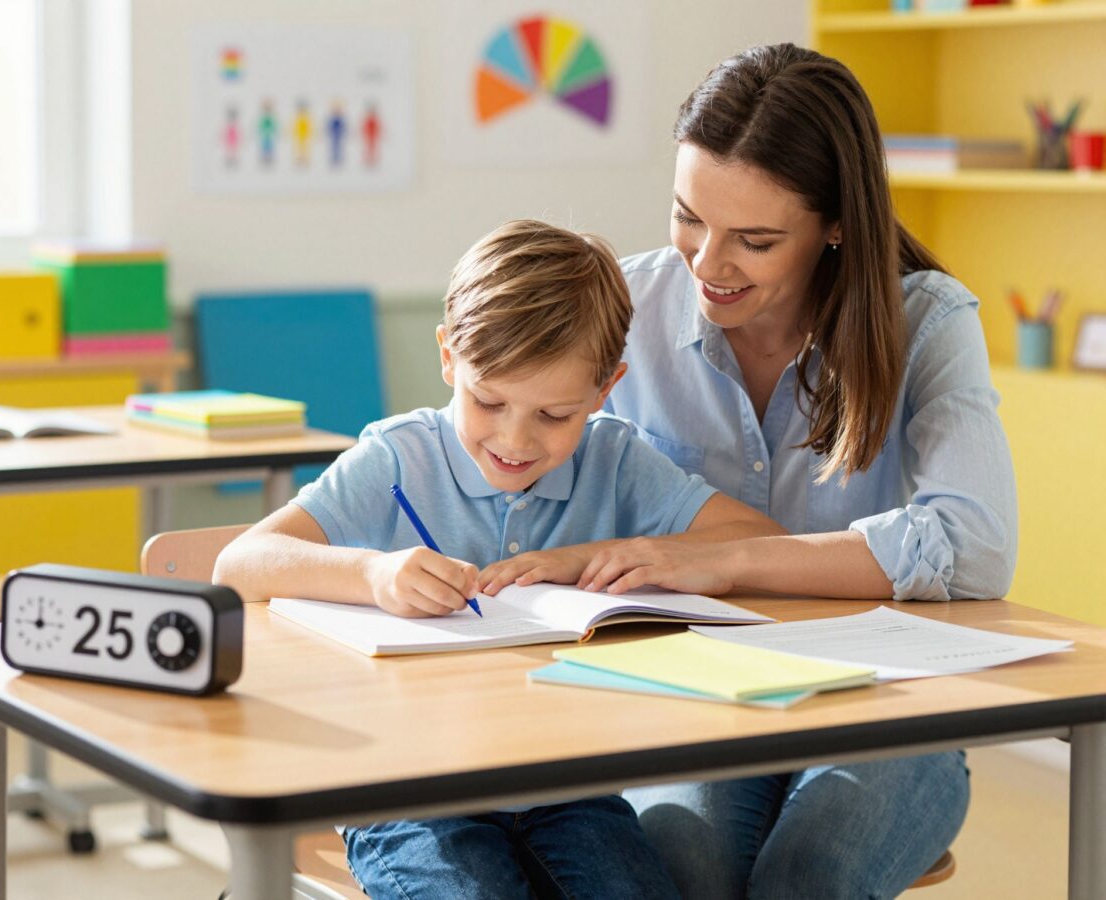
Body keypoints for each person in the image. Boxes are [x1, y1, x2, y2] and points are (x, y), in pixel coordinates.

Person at [213, 218, 786, 900]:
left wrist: (593, 557)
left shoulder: (615, 459)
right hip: (409, 788)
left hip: (567, 787)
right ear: (449, 358)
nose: (516, 439)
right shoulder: (400, 456)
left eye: (554, 415)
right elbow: (241, 563)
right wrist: (374, 573)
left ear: (606, 388)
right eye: (489, 401)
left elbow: (759, 539)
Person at [583, 42, 1016, 899]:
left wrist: (731, 558)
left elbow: (975, 545)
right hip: (693, 687)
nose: (707, 263)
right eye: (687, 218)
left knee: (808, 875)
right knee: (683, 868)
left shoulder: (927, 321)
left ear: (837, 224)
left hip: (888, 700)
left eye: (754, 239)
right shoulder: (624, 311)